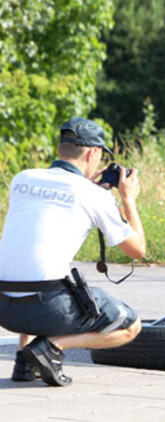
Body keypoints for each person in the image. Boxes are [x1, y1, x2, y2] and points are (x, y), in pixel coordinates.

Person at [0, 117, 145, 386]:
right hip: (46, 308)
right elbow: (137, 249)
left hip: (4, 308)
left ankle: (24, 361)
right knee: (130, 326)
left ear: (59, 150)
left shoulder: (22, 180)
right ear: (92, 153)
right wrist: (127, 199)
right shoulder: (95, 196)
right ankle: (52, 346)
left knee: (36, 270)